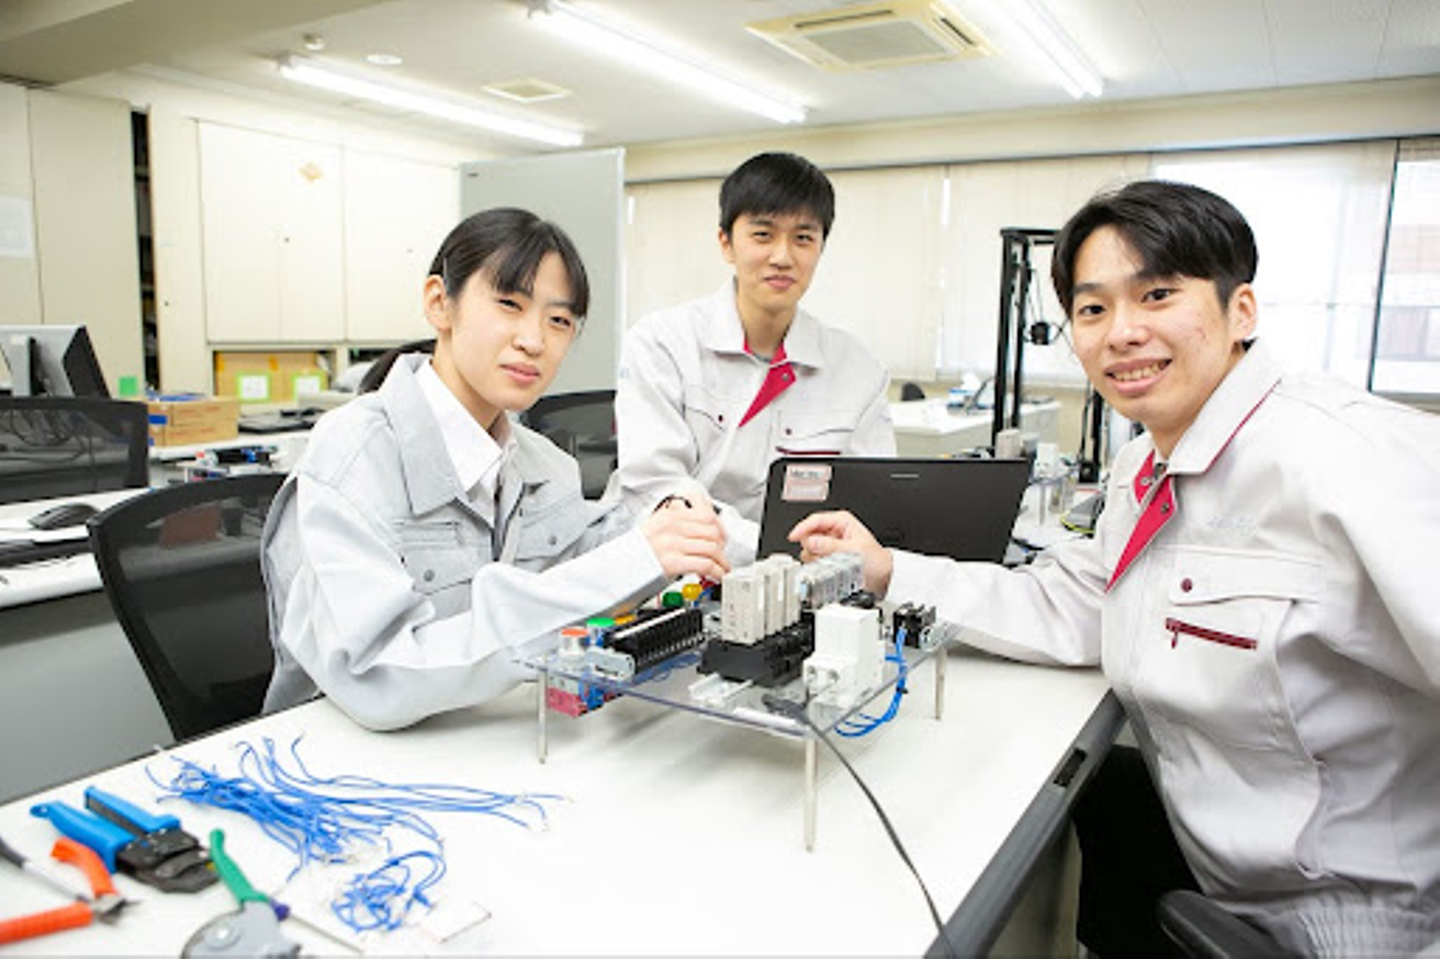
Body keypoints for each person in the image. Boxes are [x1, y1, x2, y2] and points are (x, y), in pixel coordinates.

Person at [790, 180, 1440, 956]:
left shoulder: (1355, 460)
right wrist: (887, 569)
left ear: (1242, 310)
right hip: (1225, 876)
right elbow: (1071, 604)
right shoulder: (1144, 469)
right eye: (1093, 308)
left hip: (1363, 923)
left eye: (1158, 294)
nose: (1122, 332)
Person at [262, 207, 729, 731]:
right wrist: (629, 561)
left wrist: (677, 528)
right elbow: (378, 676)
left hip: (483, 734)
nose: (534, 340)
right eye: (509, 304)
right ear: (439, 302)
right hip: (333, 751)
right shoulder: (351, 455)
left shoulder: (544, 462)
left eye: (559, 321)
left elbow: (587, 551)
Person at [606, 152, 896, 565]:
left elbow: (872, 500)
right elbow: (660, 490)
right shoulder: (662, 343)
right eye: (763, 235)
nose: (783, 257)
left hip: (801, 575)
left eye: (803, 238)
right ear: (726, 243)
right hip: (673, 571)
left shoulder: (858, 370)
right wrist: (773, 551)